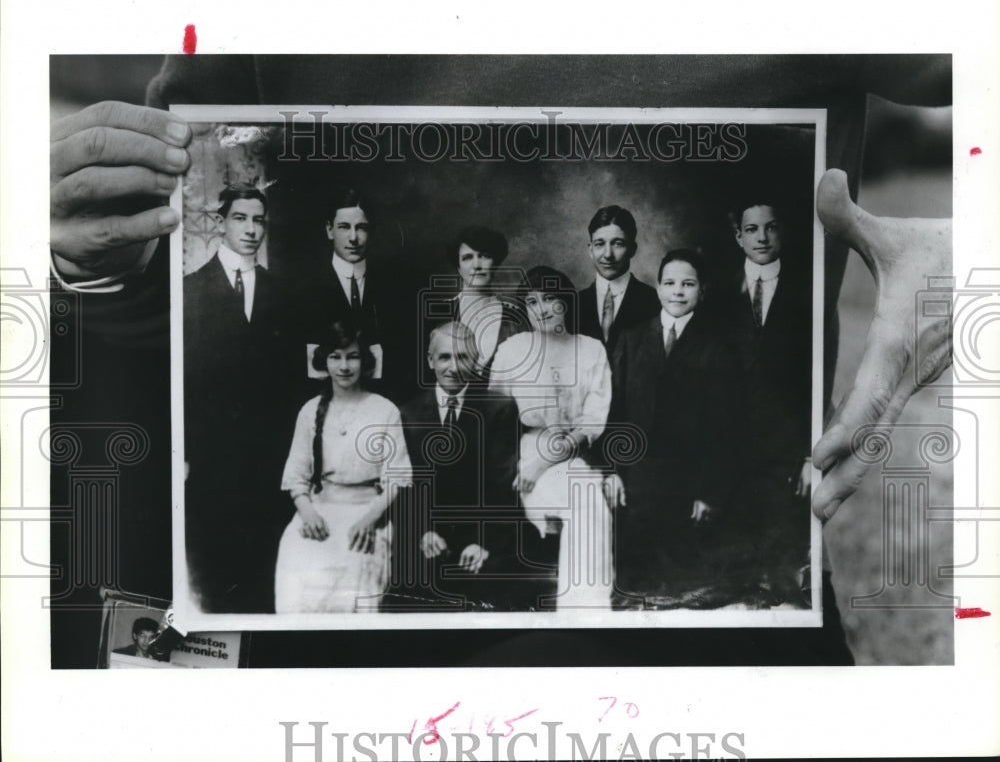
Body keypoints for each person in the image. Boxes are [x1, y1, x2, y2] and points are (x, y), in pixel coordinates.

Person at [48, 54, 954, 666]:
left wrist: (966, 253)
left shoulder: (613, 343)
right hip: (366, 670)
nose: (552, 306)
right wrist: (84, 264)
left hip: (701, 647)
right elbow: (156, 286)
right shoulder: (472, 356)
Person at [183, 186, 297, 614]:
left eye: (259, 220)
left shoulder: (284, 294)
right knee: (215, 580)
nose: (251, 229)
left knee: (267, 580)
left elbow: (293, 384)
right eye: (240, 218)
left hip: (271, 462)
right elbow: (186, 383)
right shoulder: (190, 292)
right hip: (212, 465)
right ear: (220, 223)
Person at [608, 249, 743, 605]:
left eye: (688, 284)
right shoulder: (631, 339)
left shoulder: (717, 347)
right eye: (669, 283)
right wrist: (612, 470)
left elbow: (723, 428)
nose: (678, 292)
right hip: (634, 480)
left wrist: (709, 492)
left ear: (701, 290)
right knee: (630, 583)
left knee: (680, 587)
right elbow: (613, 411)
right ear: (657, 288)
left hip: (687, 483)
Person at [489, 266, 614, 609]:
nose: (541, 309)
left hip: (572, 453)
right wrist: (520, 465)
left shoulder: (590, 350)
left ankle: (586, 609)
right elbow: (495, 419)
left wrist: (545, 461)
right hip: (523, 453)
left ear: (566, 302)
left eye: (549, 299)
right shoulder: (513, 349)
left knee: (588, 500)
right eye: (531, 301)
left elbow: (592, 422)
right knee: (574, 499)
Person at [273, 322, 412, 614]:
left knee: (355, 569)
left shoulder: (384, 409)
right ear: (324, 361)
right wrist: (308, 512)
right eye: (336, 357)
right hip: (320, 510)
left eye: (353, 356)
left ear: (366, 360)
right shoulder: (311, 410)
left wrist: (370, 519)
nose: (344, 366)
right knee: (295, 555)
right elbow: (297, 476)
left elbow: (397, 477)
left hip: (369, 512)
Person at [392, 322, 527, 610]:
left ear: (476, 360)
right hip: (425, 538)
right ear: (430, 360)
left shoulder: (499, 409)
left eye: (463, 357)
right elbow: (404, 487)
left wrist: (482, 541)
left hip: (482, 539)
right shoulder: (408, 414)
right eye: (444, 357)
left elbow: (503, 487)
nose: (454, 367)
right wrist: (422, 532)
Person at [719, 202, 813, 600]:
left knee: (780, 553)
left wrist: (809, 453)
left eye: (771, 228)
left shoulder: (805, 291)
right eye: (752, 229)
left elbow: (812, 375)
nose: (761, 237)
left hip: (784, 445)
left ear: (783, 233)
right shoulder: (719, 295)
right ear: (738, 236)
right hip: (730, 442)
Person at [292, 188, 417, 404]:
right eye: (344, 227)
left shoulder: (394, 289)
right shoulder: (306, 290)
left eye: (361, 228)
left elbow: (403, 360)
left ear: (371, 232)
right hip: (326, 409)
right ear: (329, 230)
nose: (353, 238)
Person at [422, 226, 528, 384]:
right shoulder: (437, 315)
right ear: (458, 266)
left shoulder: (515, 319)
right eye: (467, 257)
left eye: (484, 256)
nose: (476, 265)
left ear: (496, 262)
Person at [578, 205, 661, 355]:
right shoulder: (574, 304)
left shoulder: (654, 301)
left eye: (618, 243)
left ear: (632, 249)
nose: (608, 254)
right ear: (590, 250)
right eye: (599, 244)